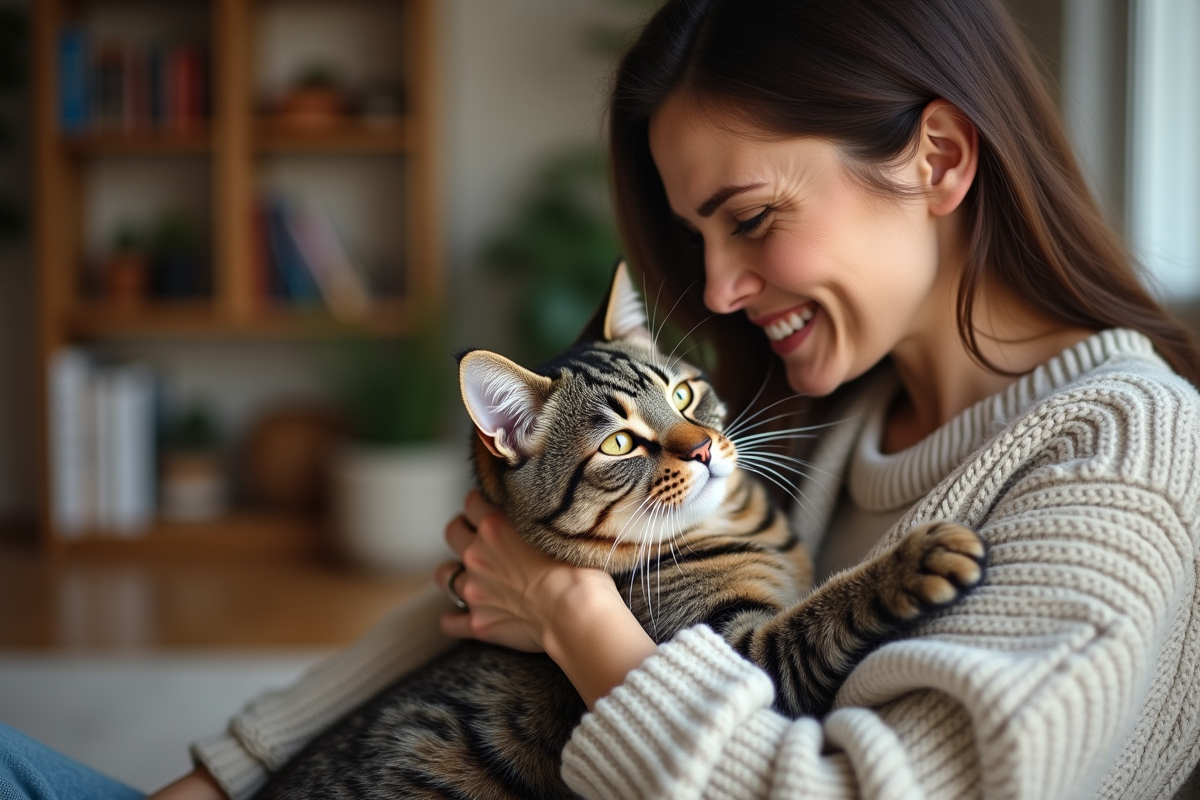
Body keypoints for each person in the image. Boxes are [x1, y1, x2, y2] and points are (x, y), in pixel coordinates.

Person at [16, 0, 1197, 798]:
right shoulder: (833, 405)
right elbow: (483, 602)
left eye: (752, 217)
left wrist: (573, 611)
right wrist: (229, 768)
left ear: (937, 158)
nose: (721, 293)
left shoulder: (1123, 452)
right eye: (696, 235)